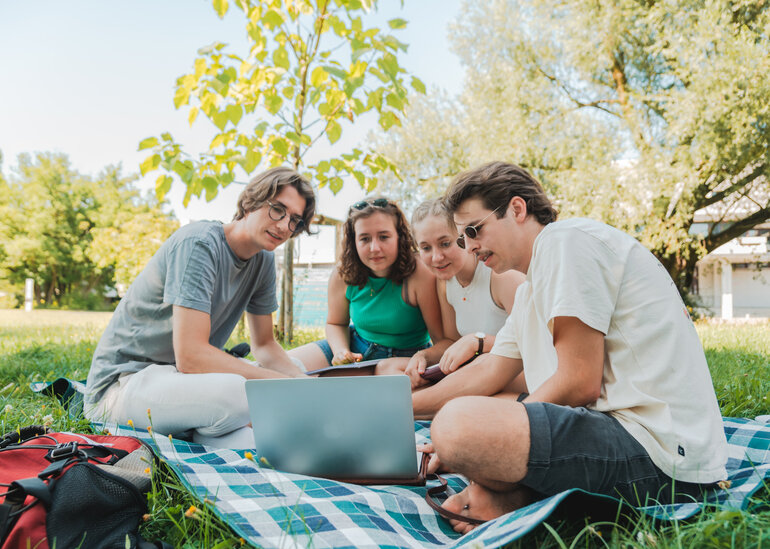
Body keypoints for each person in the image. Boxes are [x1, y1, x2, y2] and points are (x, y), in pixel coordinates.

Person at [423, 161, 728, 533]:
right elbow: (489, 371)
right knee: (474, 414)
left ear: (517, 209)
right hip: (622, 435)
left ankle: (508, 497)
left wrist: (487, 439)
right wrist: (404, 407)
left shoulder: (564, 241)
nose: (470, 247)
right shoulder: (532, 289)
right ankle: (509, 498)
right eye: (463, 238)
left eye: (474, 230)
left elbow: (579, 381)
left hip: (662, 455)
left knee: (459, 425)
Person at [84, 167, 316, 447]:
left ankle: (210, 429)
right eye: (278, 209)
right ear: (250, 201)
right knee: (240, 392)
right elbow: (191, 356)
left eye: (295, 221)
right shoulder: (199, 244)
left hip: (181, 382)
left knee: (297, 369)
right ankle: (215, 421)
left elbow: (265, 346)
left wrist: (304, 387)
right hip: (122, 387)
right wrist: (276, 384)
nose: (283, 226)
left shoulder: (263, 260)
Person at [377, 198, 527, 418]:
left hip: (510, 372)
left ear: (463, 237)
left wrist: (480, 342)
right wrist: (424, 356)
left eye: (445, 243)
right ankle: (424, 407)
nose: (436, 257)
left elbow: (535, 346)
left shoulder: (501, 276)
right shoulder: (445, 282)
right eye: (426, 248)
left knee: (483, 363)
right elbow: (450, 342)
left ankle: (397, 409)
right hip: (467, 375)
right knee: (388, 369)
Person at [288, 198, 444, 370]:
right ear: (354, 242)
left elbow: (441, 341)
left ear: (400, 237)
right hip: (355, 346)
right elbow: (336, 323)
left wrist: (421, 360)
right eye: (365, 239)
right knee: (286, 367)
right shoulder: (343, 273)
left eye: (384, 237)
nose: (374, 248)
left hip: (406, 357)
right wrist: (341, 351)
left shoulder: (420, 273)